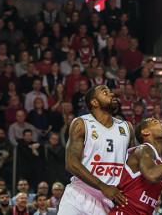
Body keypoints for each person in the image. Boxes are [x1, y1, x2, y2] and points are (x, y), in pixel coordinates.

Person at [58, 84, 135, 215]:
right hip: (78, 195)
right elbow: (71, 163)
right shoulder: (81, 123)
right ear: (94, 102)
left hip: (108, 200)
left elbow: (133, 167)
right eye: (105, 92)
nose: (111, 94)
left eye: (111, 92)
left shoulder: (127, 128)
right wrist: (102, 186)